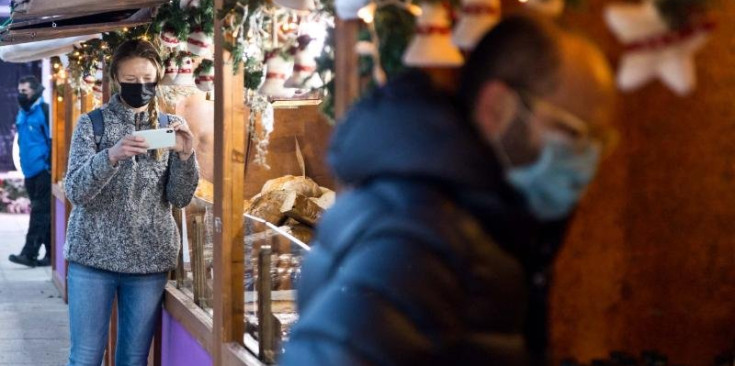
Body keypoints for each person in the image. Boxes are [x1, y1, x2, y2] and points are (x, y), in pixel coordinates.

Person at [281, 15, 615, 365]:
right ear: (498, 108)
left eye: (600, 142)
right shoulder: (421, 236)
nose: (587, 159)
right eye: (573, 133)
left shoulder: (467, 220)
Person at [63, 40, 198, 366]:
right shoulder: (92, 124)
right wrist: (110, 156)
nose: (140, 88)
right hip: (91, 259)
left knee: (133, 360)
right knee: (84, 358)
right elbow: (75, 191)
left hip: (148, 263)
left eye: (148, 80)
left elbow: (179, 198)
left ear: (159, 76)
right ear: (115, 79)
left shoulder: (169, 127)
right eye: (131, 80)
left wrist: (186, 156)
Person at [9, 75, 52, 267]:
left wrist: (49, 166)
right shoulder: (22, 112)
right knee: (44, 213)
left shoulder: (44, 110)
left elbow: (53, 140)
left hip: (43, 171)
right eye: (19, 91)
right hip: (29, 171)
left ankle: (29, 253)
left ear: (34, 91)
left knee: (39, 212)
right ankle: (51, 255)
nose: (21, 95)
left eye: (24, 91)